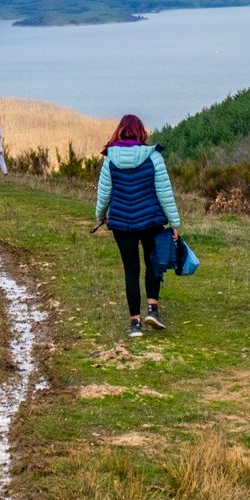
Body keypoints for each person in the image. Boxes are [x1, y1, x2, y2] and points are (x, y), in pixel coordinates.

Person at [93, 114, 180, 339]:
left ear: (120, 131)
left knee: (130, 270)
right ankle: (152, 309)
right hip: (151, 220)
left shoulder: (110, 159)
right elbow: (165, 193)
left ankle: (135, 324)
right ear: (141, 132)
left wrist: (100, 216)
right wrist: (174, 222)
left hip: (122, 223)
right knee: (153, 263)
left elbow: (104, 194)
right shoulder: (154, 157)